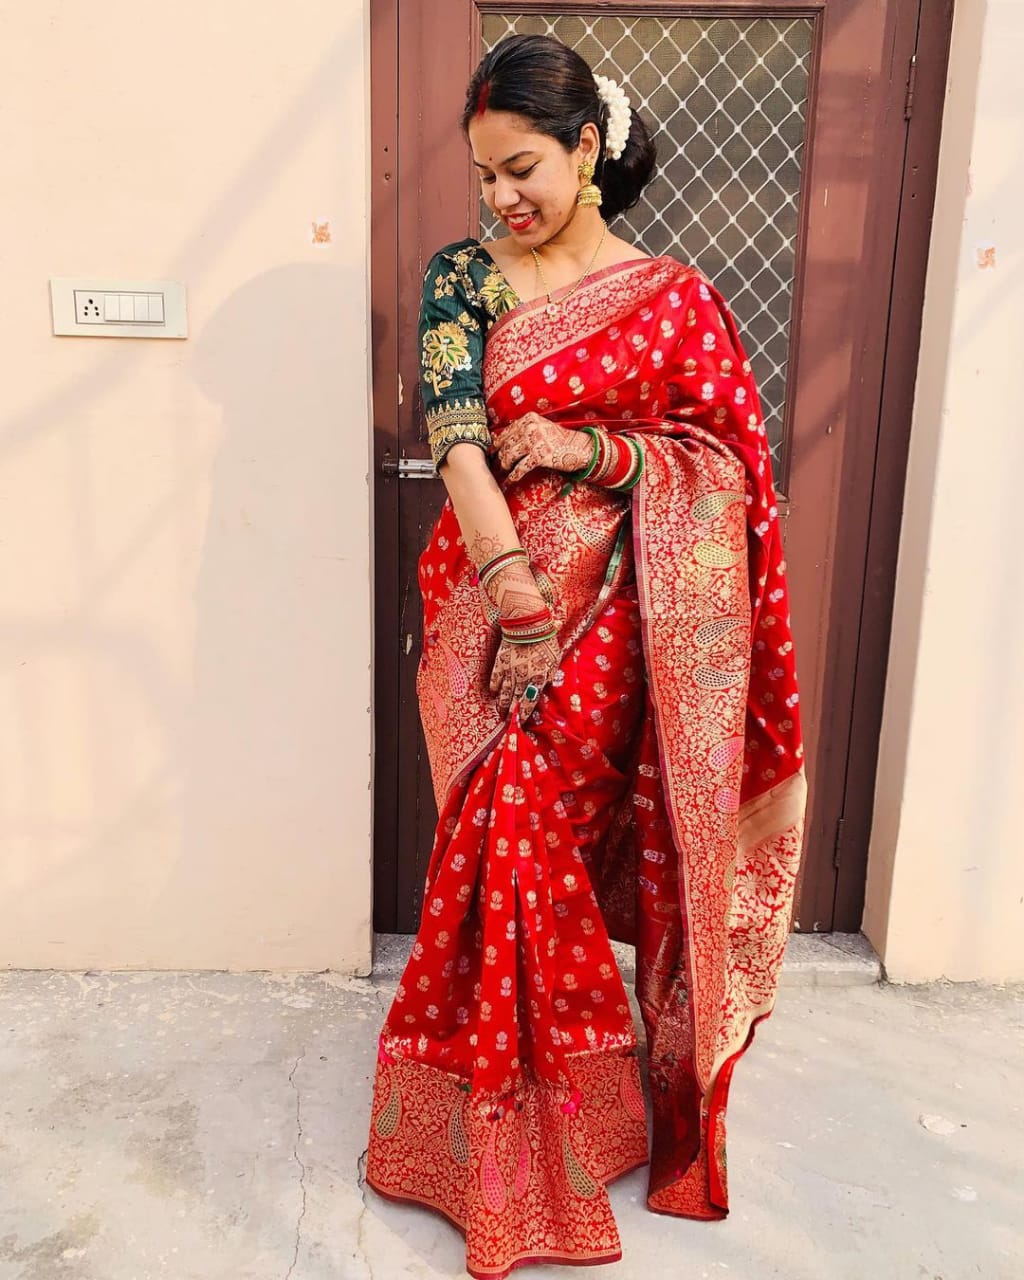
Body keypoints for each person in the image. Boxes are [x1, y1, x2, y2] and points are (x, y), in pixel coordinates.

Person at [366, 33, 806, 1279]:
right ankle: (472, 1113)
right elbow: (457, 429)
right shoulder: (465, 277)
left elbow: (726, 472)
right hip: (485, 608)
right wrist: (510, 587)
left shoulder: (672, 297)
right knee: (482, 841)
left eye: (523, 168)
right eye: (484, 176)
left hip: (617, 627)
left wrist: (593, 451)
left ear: (586, 150)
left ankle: (563, 1109)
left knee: (543, 848)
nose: (503, 197)